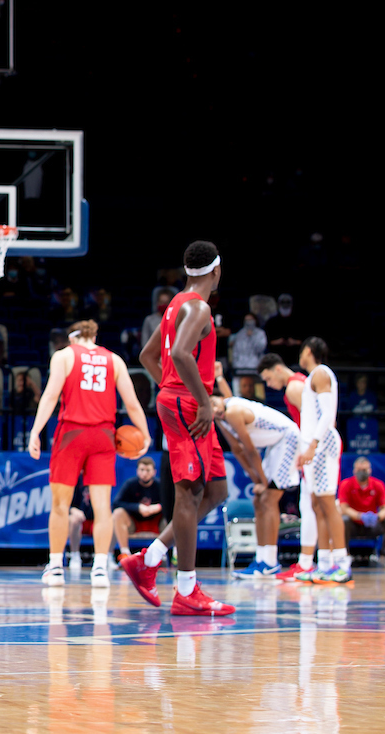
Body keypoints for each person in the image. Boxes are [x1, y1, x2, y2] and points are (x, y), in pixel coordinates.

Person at [121, 241, 235, 616]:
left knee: (216, 490)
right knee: (189, 494)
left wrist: (171, 387)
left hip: (179, 399)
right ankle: (187, 590)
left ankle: (149, 558)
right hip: (189, 405)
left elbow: (147, 357)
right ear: (216, 272)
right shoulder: (200, 308)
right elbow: (181, 354)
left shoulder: (173, 303)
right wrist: (201, 400)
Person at [27, 320, 152, 588]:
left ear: (73, 338)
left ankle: (57, 566)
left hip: (71, 433)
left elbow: (49, 396)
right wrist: (145, 433)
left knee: (61, 505)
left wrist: (35, 431)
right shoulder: (114, 360)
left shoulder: (64, 356)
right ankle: (99, 568)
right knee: (102, 507)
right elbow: (131, 403)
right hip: (103, 436)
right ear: (94, 336)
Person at [210, 395, 302, 580]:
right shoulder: (220, 417)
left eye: (213, 403)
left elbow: (250, 450)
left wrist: (263, 482)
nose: (213, 409)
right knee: (259, 500)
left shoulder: (233, 410)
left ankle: (269, 563)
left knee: (268, 499)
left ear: (221, 398)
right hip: (275, 446)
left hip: (288, 438)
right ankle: (262, 560)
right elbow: (236, 449)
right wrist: (257, 480)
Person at [293, 337, 352, 585]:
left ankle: (342, 563)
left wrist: (314, 445)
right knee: (317, 505)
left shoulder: (320, 372)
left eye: (302, 350)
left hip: (322, 446)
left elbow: (329, 414)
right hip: (313, 445)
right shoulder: (311, 378)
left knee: (328, 504)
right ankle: (325, 563)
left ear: (309, 351)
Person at [257, 352, 317, 580]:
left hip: (311, 448)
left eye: (268, 378)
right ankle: (308, 562)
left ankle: (314, 563)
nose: (269, 384)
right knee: (311, 505)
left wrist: (309, 449)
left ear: (278, 369)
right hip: (311, 446)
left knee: (316, 505)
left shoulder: (294, 387)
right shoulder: (301, 381)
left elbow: (313, 421)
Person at [338, 456, 385, 568]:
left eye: (364, 470)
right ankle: (345, 556)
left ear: (370, 470)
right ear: (354, 471)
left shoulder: (378, 484)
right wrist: (360, 516)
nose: (362, 472)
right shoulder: (346, 484)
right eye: (359, 470)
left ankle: (384, 557)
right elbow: (343, 508)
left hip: (372, 525)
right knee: (343, 520)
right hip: (354, 524)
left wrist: (377, 517)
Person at [111, 457, 164, 564]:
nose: (145, 473)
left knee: (173, 516)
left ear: (154, 472)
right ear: (137, 471)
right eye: (142, 470)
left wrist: (158, 507)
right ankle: (125, 554)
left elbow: (172, 502)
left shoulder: (160, 485)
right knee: (118, 513)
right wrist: (137, 507)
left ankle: (166, 554)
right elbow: (116, 503)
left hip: (156, 523)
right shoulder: (130, 484)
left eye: (148, 470)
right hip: (134, 523)